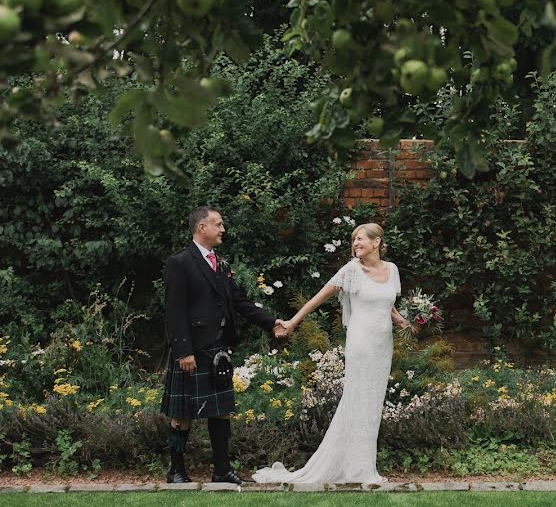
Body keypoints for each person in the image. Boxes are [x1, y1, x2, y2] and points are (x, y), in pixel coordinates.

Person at [253, 222, 414, 484]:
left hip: (383, 344)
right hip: (361, 342)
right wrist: (293, 322)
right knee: (357, 399)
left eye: (360, 239)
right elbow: (320, 296)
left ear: (377, 243)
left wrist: (406, 321)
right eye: (354, 240)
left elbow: (388, 306)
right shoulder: (352, 270)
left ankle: (360, 466)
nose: (356, 244)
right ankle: (360, 470)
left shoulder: (392, 270)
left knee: (372, 403)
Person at [160, 206, 288, 484]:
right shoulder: (180, 262)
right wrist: (183, 350)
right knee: (183, 413)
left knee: (220, 410)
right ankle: (177, 471)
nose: (222, 229)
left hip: (218, 347)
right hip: (193, 347)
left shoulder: (221, 263)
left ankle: (222, 470)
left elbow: (239, 301)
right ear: (201, 227)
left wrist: (271, 322)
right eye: (217, 224)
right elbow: (174, 310)